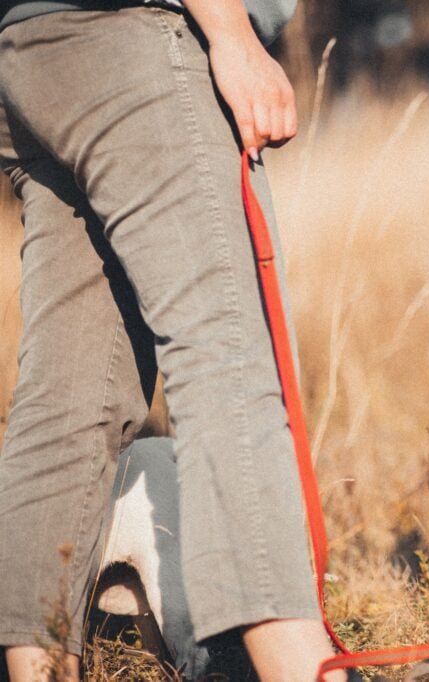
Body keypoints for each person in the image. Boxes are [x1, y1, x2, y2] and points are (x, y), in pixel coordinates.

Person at [0, 1, 340, 679]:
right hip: (142, 40)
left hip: (29, 46)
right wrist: (233, 34)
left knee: (66, 407)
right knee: (230, 366)